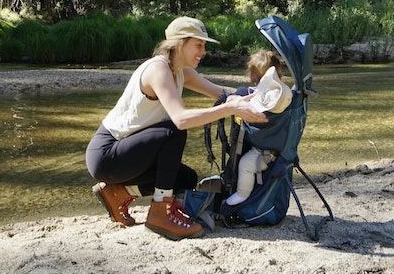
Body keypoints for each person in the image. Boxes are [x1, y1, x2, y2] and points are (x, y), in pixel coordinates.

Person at [85, 16, 268, 240]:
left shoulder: (181, 72)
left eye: (204, 46)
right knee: (174, 131)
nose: (203, 51)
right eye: (198, 45)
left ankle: (117, 193)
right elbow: (181, 119)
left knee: (186, 179)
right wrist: (230, 110)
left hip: (127, 156)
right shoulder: (158, 69)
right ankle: (160, 214)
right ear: (180, 43)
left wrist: (256, 96)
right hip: (107, 155)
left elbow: (221, 92)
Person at [224, 49, 293, 207]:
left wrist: (236, 98)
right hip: (283, 150)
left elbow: (248, 104)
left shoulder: (258, 99)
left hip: (264, 153)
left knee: (245, 166)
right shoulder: (283, 98)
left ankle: (242, 194)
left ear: (252, 77)